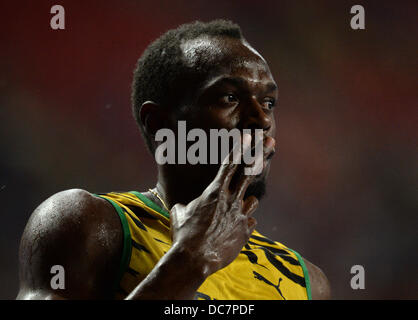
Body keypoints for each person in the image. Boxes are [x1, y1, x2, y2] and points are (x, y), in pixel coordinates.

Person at [17, 20, 330, 300]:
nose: (261, 119)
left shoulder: (306, 283)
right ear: (158, 124)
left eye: (269, 102)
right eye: (230, 98)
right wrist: (189, 261)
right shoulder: (86, 226)